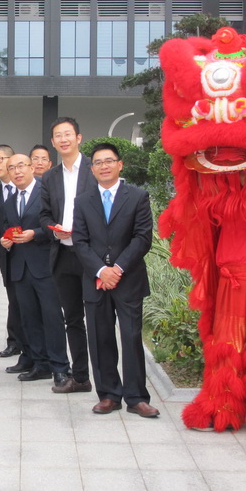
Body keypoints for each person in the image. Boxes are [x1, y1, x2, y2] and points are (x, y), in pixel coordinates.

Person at [72, 143, 158, 418]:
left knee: (131, 337)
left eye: (109, 161)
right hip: (96, 281)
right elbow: (80, 241)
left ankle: (136, 397)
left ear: (120, 165)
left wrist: (117, 268)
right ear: (92, 169)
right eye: (98, 162)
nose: (104, 166)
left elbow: (142, 237)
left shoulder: (138, 196)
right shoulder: (82, 201)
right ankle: (108, 394)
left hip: (128, 279)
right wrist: (101, 270)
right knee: (100, 338)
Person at [0, 154, 71, 384]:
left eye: (21, 166)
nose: (17, 171)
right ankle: (40, 364)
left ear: (31, 168)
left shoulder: (46, 193)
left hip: (45, 265)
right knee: (28, 318)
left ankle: (60, 366)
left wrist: (36, 234)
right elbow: (9, 228)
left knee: (52, 317)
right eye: (12, 168)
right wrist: (6, 241)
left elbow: (57, 225)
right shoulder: (9, 200)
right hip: (20, 267)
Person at [39, 117, 94, 394]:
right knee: (72, 318)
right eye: (58, 135)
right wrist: (54, 230)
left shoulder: (94, 169)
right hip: (63, 254)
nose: (63, 139)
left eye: (68, 134)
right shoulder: (50, 177)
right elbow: (44, 214)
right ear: (53, 142)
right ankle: (81, 377)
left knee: (98, 318)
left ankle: (108, 380)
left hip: (92, 256)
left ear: (78, 138)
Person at [0, 145, 26, 364]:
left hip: (30, 253)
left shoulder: (28, 188)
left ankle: (29, 343)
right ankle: (14, 341)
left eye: (0, 159)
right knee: (13, 297)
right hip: (7, 253)